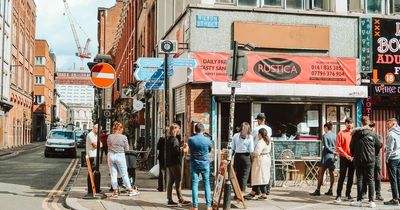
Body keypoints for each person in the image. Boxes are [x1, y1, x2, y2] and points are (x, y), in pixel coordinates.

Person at [350, 116, 381, 208]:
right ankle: (371, 201)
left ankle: (359, 200)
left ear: (361, 123)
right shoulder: (373, 134)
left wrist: (354, 155)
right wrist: (373, 154)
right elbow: (379, 145)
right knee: (371, 180)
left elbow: (351, 147)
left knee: (359, 179)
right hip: (370, 160)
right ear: (368, 123)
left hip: (358, 160)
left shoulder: (355, 134)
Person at [107, 121, 138, 197]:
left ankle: (115, 191)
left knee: (113, 174)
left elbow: (108, 146)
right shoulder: (124, 137)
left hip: (111, 155)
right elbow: (127, 148)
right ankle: (130, 190)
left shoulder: (110, 136)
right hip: (120, 155)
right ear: (120, 128)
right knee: (124, 174)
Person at [165, 123, 191, 207]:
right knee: (178, 181)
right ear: (175, 130)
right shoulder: (174, 140)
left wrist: (180, 147)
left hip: (169, 163)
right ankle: (181, 199)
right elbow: (176, 153)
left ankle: (169, 199)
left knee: (171, 181)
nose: (179, 130)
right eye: (178, 129)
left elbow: (172, 150)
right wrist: (184, 149)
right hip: (175, 163)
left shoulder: (169, 139)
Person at [188, 123, 212, 210]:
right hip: (205, 164)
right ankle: (208, 206)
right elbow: (209, 149)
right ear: (203, 130)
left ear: (195, 130)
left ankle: (195, 206)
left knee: (195, 184)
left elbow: (190, 149)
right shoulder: (207, 140)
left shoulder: (191, 139)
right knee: (207, 184)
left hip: (194, 164)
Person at [310, 122, 337, 196]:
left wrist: (331, 151)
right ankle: (330, 190)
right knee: (331, 174)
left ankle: (318, 190)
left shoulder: (325, 136)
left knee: (321, 173)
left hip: (326, 156)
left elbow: (326, 147)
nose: (324, 129)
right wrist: (334, 152)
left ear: (326, 128)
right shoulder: (335, 135)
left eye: (324, 128)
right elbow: (337, 146)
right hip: (333, 157)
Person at [244, 128, 271, 200]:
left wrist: (252, 154)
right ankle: (253, 192)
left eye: (258, 134)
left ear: (260, 134)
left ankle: (263, 194)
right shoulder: (268, 141)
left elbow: (256, 153)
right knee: (259, 177)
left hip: (260, 160)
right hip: (266, 159)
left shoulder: (261, 142)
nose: (257, 135)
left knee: (260, 177)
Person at [250, 113, 272, 196]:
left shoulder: (256, 129)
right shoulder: (269, 129)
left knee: (258, 174)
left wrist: (252, 154)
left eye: (258, 120)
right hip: (267, 155)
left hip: (259, 155)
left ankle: (261, 192)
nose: (257, 121)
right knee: (264, 174)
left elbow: (252, 139)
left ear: (260, 120)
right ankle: (264, 191)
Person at [334, 117, 355, 203]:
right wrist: (346, 155)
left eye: (351, 123)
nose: (349, 124)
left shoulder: (355, 134)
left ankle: (348, 194)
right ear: (345, 124)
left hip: (353, 158)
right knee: (342, 176)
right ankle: (338, 195)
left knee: (351, 177)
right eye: (348, 123)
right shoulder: (341, 133)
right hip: (344, 157)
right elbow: (338, 146)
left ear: (353, 124)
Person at [362, 122, 383, 201]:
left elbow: (379, 145)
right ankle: (364, 193)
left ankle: (378, 193)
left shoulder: (378, 136)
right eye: (370, 126)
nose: (371, 128)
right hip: (368, 159)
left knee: (377, 177)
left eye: (372, 127)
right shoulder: (365, 135)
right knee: (365, 176)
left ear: (374, 128)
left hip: (376, 159)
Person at [233, 122, 254, 193]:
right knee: (244, 176)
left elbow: (233, 147)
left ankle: (236, 193)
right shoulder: (250, 137)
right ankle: (242, 193)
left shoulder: (235, 135)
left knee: (236, 175)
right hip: (246, 157)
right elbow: (251, 150)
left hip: (237, 156)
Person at [384, 118, 400, 206]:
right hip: (399, 157)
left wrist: (387, 158)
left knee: (393, 179)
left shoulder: (391, 134)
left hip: (393, 158)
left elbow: (389, 148)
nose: (386, 126)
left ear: (393, 124)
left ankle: (395, 199)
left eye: (388, 124)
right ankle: (399, 197)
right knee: (398, 178)